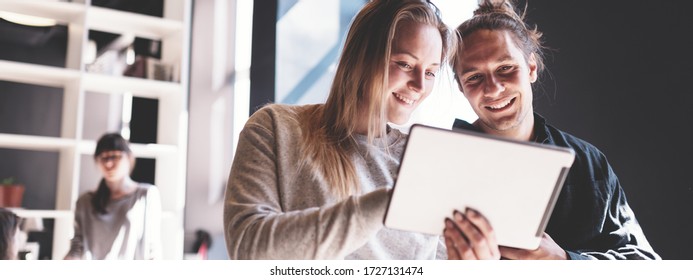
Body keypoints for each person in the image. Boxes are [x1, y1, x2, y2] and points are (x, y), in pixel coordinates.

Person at [224, 0, 454, 259]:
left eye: (431, 73)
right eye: (405, 64)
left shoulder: (422, 160)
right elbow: (247, 250)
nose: (419, 85)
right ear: (362, 56)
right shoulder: (276, 129)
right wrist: (388, 203)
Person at [444, 0, 659, 260]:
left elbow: (646, 263)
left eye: (505, 68)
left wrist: (564, 262)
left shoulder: (587, 163)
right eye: (474, 77)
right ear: (461, 88)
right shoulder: (437, 164)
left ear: (531, 68)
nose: (493, 89)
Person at [64, 133, 162, 260]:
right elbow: (77, 248)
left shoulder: (145, 195)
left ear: (129, 158)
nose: (109, 164)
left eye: (115, 156)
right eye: (103, 158)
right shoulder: (85, 202)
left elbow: (152, 249)